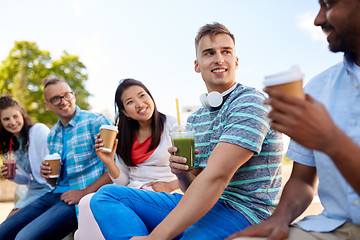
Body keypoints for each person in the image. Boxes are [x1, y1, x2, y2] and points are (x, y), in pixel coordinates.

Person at [90, 22, 284, 240]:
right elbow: (194, 188)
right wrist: (182, 175)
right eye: (209, 53)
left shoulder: (251, 102)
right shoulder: (195, 120)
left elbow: (216, 178)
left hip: (245, 211)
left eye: (226, 52)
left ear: (236, 61)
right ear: (197, 65)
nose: (219, 58)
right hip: (206, 203)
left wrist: (154, 238)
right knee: (106, 196)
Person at [227, 0, 360, 239]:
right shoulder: (318, 88)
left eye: (328, 4)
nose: (318, 19)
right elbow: (302, 180)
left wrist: (330, 140)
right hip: (334, 227)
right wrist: (279, 218)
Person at [0, 78, 114, 240]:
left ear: (73, 95)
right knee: (4, 231)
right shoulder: (53, 134)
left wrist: (84, 192)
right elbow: (54, 181)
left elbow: (117, 169)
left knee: (24, 237)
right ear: (47, 105)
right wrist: (48, 176)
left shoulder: (96, 122)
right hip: (53, 194)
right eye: (55, 99)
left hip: (80, 198)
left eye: (66, 95)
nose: (63, 101)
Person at [74, 78, 179, 240]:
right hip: (132, 193)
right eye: (130, 102)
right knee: (86, 203)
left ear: (150, 97)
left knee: (89, 203)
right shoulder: (124, 136)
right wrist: (108, 160)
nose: (139, 103)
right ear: (124, 111)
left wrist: (170, 185)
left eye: (142, 95)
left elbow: (194, 170)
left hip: (163, 196)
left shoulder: (173, 125)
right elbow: (123, 182)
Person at [0, 96, 52, 218]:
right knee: (5, 228)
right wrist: (12, 176)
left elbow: (53, 160)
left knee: (10, 225)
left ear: (22, 115)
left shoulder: (38, 131)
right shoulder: (12, 147)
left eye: (15, 116)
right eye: (6, 119)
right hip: (32, 190)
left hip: (49, 188)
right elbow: (26, 180)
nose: (12, 122)